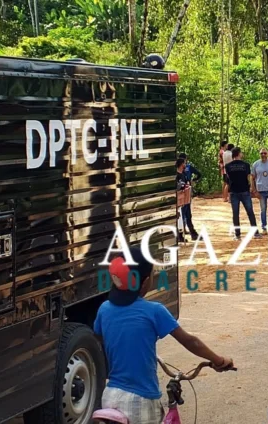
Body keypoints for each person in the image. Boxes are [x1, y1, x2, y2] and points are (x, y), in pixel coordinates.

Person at [94, 247, 234, 424]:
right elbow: (190, 341)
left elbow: (101, 340)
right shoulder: (154, 311)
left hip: (110, 397)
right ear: (145, 282)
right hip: (141, 399)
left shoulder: (104, 309)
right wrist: (219, 361)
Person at [226, 147, 262, 241]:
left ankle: (237, 235)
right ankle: (256, 232)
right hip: (244, 190)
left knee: (235, 213)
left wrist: (228, 192)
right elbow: (249, 177)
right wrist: (251, 187)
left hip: (234, 191)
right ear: (238, 153)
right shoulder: (246, 165)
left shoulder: (228, 166)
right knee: (250, 212)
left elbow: (227, 179)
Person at [179, 153, 202, 239]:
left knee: (186, 213)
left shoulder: (181, 171)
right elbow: (199, 174)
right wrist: (193, 181)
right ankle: (182, 233)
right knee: (184, 213)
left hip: (186, 193)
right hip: (183, 194)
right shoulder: (182, 171)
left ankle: (190, 233)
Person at [175, 158, 198, 241]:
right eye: (184, 163)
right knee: (181, 217)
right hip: (180, 200)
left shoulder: (184, 173)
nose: (186, 165)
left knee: (188, 216)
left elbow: (187, 182)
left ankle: (193, 234)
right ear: (181, 164)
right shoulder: (176, 175)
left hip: (186, 198)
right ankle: (180, 236)